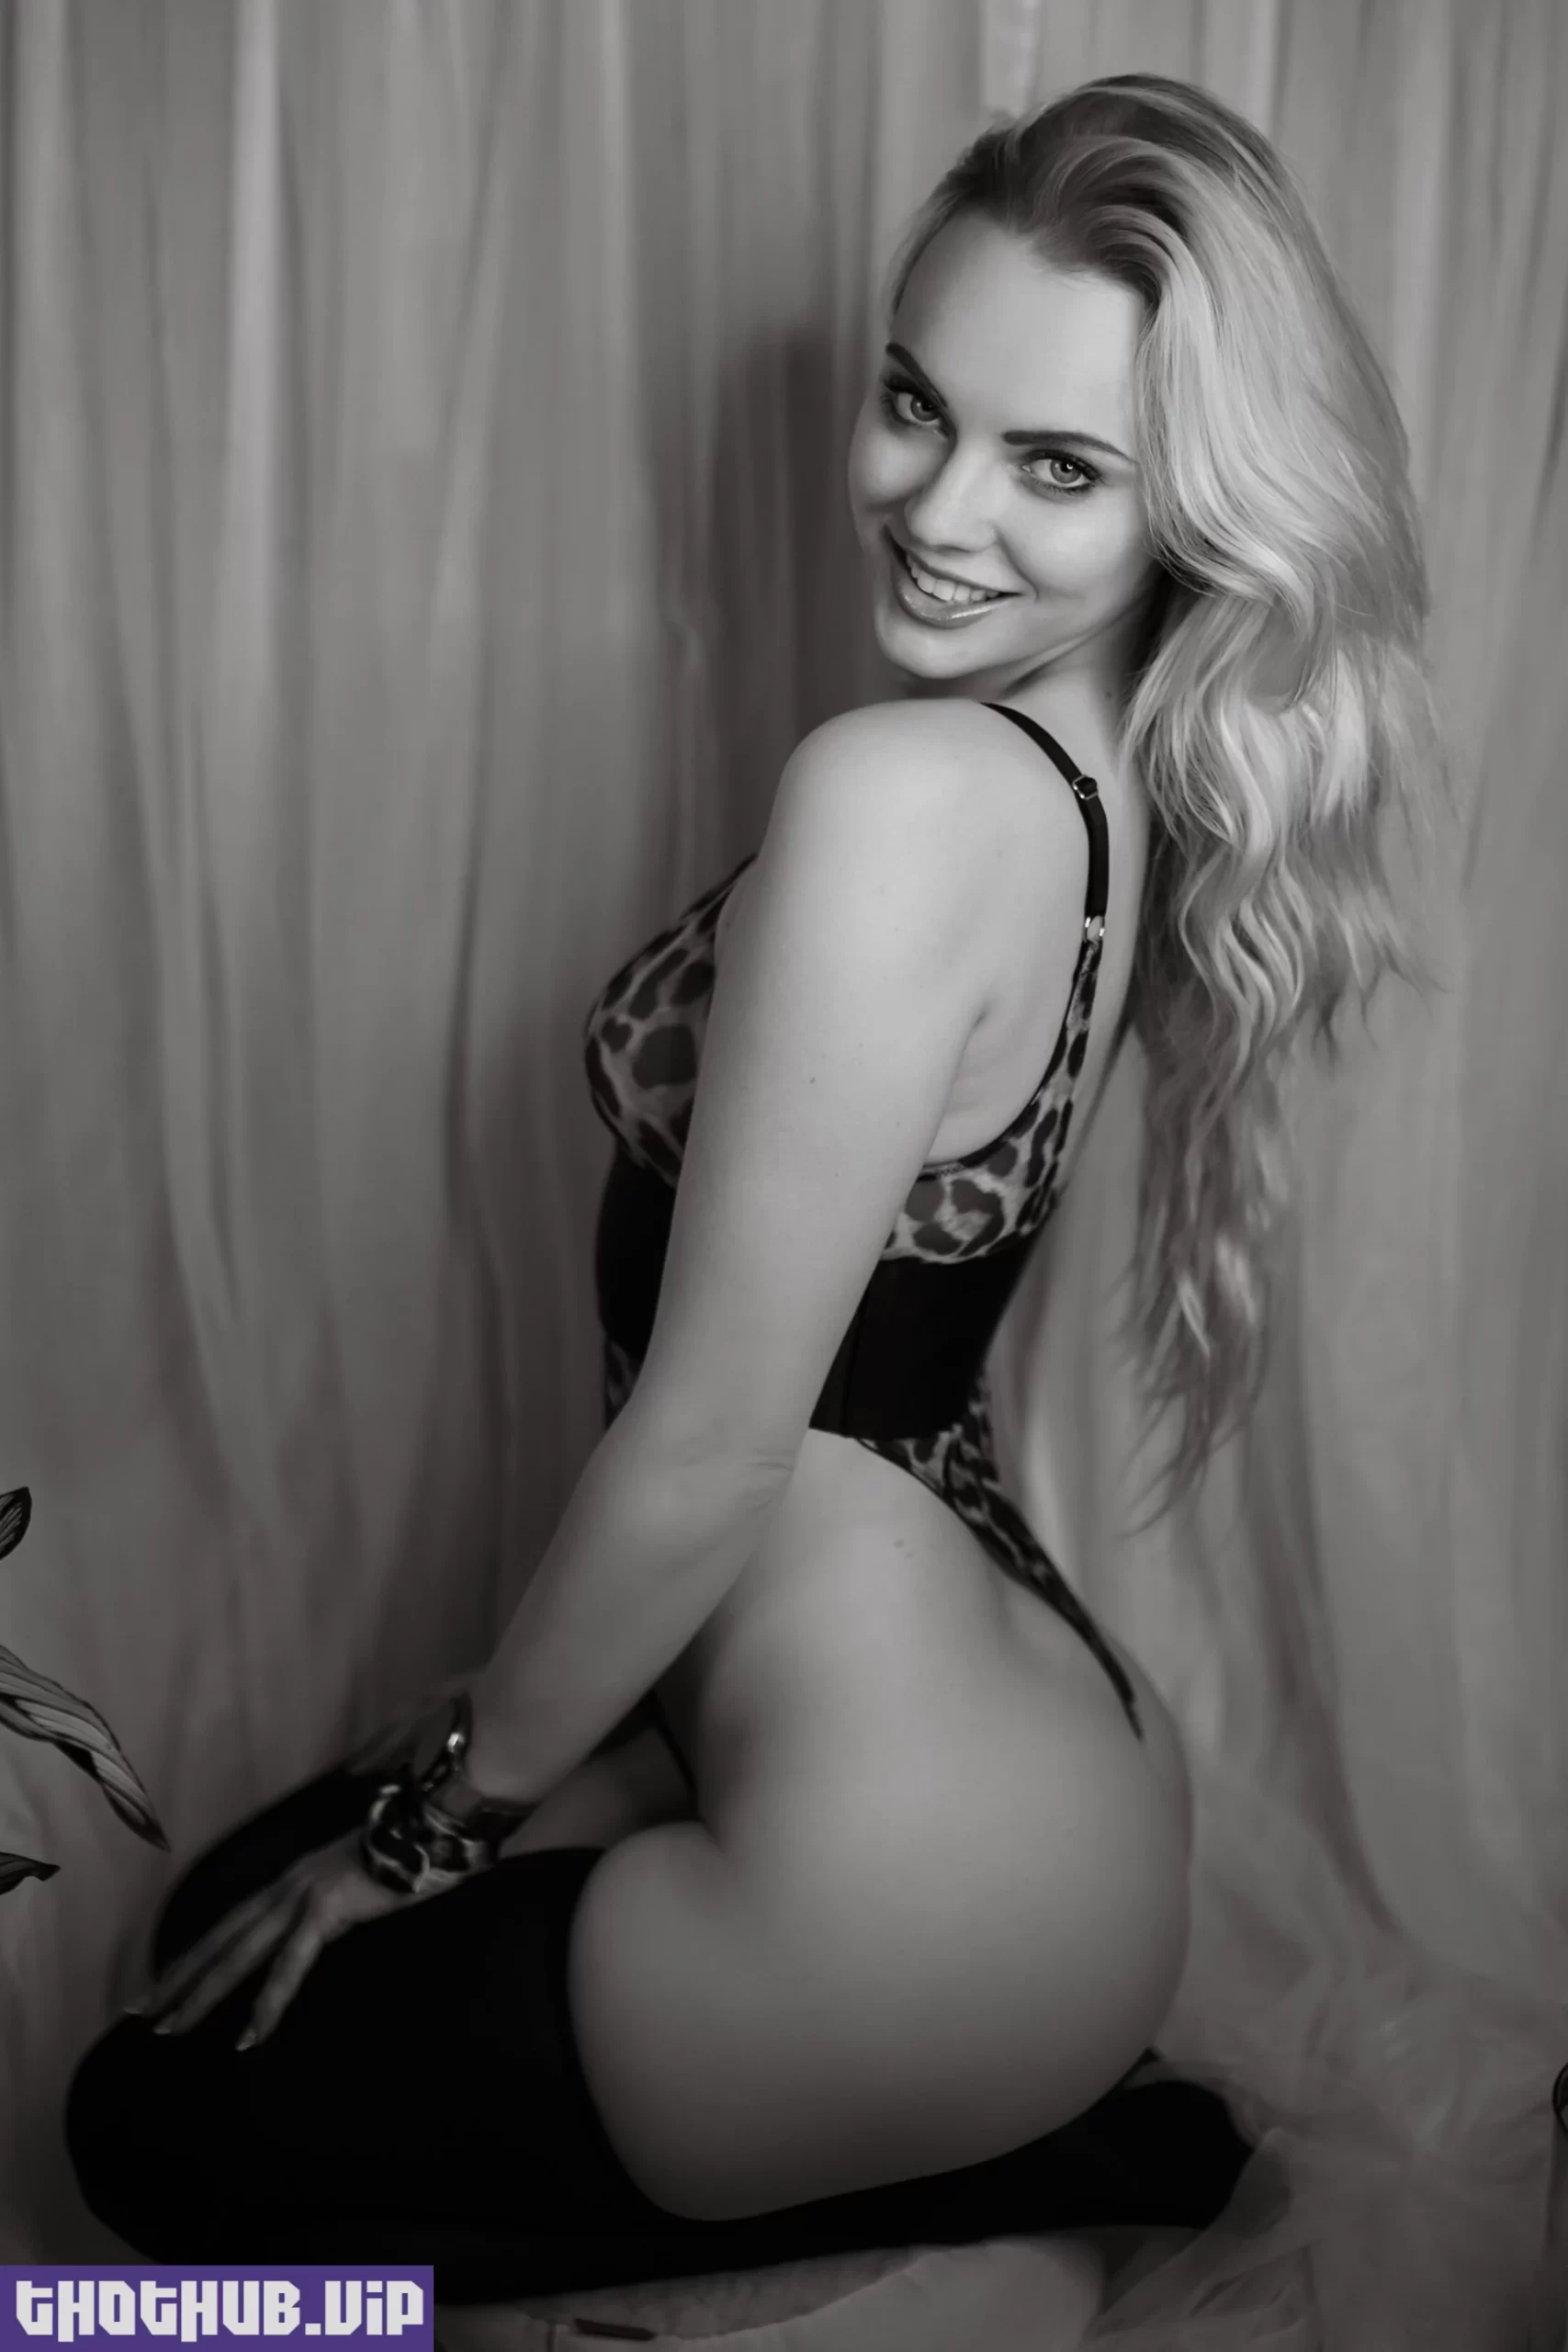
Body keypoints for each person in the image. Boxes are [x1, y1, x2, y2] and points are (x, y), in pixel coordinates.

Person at [64, 73, 1434, 2302]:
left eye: (1057, 464)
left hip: (889, 1908)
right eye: (914, 403)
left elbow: (708, 1446)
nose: (936, 509)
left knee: (134, 2128)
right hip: (1052, 1809)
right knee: (214, 1905)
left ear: (1194, 502)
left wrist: (437, 1825)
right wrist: (499, 1750)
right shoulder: (1114, 774)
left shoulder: (902, 792)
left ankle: (950, 2162)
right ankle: (1015, 2106)